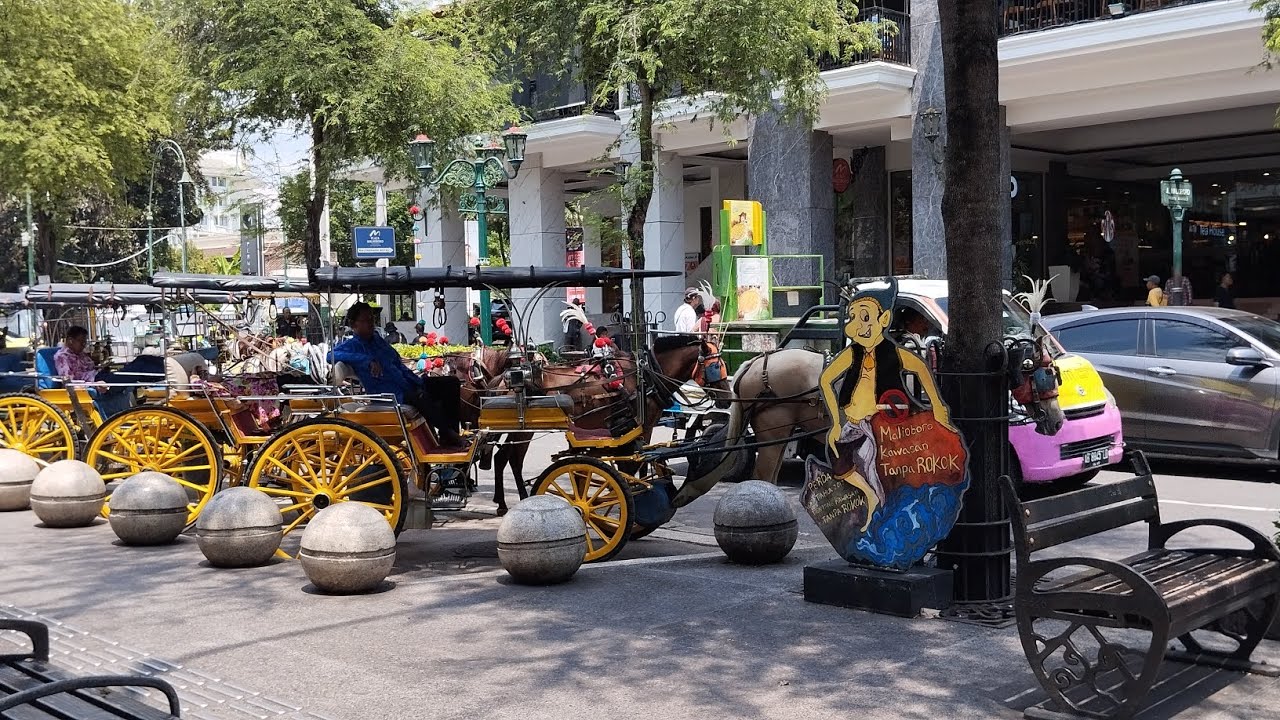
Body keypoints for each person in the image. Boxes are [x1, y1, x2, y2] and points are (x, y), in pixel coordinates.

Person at [330, 303, 464, 446]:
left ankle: (449, 434)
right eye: (366, 320)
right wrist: (366, 360)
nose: (371, 323)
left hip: (407, 384)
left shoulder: (377, 339)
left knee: (451, 383)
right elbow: (331, 354)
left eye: (372, 319)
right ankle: (448, 432)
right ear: (353, 324)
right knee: (420, 396)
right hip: (389, 394)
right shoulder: (353, 345)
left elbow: (395, 361)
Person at [53, 326, 163, 418]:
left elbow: (91, 367)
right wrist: (94, 385)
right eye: (81, 342)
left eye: (84, 342)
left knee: (141, 360)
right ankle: (164, 371)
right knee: (138, 368)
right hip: (97, 382)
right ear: (71, 341)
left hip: (100, 376)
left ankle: (166, 365)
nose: (83, 345)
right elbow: (68, 382)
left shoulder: (80, 354)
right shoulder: (62, 357)